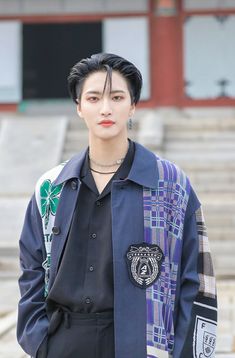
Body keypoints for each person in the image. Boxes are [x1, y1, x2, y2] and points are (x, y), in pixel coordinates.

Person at [17, 53, 217, 358]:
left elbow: (196, 280)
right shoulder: (51, 186)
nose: (106, 109)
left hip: (141, 343)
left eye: (117, 97)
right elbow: (31, 269)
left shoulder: (170, 184)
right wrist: (39, 340)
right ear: (79, 107)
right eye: (94, 98)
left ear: (133, 105)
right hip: (62, 343)